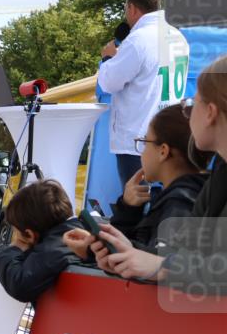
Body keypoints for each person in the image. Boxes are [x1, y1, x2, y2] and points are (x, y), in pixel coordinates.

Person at [87, 55, 227, 295]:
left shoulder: (186, 195)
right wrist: (126, 253)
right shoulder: (219, 176)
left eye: (192, 104)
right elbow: (190, 255)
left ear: (210, 112)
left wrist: (163, 267)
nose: (188, 113)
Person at [70, 106, 207, 259]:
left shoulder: (179, 205)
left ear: (163, 151)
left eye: (144, 142)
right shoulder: (198, 194)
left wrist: (92, 251)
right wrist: (128, 208)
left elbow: (157, 267)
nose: (141, 151)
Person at [97, 0, 188, 187]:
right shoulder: (178, 37)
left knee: (137, 207)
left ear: (132, 8)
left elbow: (109, 83)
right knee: (166, 203)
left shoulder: (138, 39)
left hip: (138, 143)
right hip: (171, 136)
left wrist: (108, 59)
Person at [0, 179, 85, 302]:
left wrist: (14, 248)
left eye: (17, 232)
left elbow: (20, 284)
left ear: (29, 235)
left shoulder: (56, 247)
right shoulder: (76, 230)